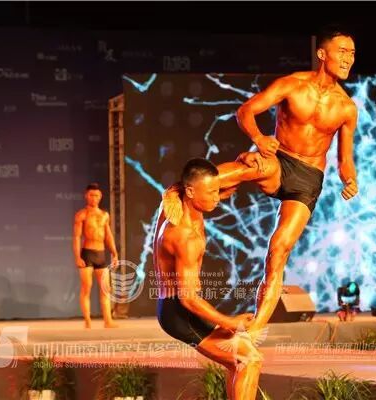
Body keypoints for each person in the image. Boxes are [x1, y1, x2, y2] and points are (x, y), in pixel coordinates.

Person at [164, 24, 359, 335]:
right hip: (278, 160)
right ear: (322, 54)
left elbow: (344, 159)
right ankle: (179, 196)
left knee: (278, 249)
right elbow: (246, 111)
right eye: (343, 51)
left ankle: (254, 330)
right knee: (242, 168)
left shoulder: (347, 108)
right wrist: (258, 138)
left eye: (352, 52)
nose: (349, 58)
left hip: (309, 179)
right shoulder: (292, 85)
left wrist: (350, 180)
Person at [154, 158, 262, 400]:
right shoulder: (184, 237)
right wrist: (229, 322)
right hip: (180, 312)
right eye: (212, 192)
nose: (217, 197)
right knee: (248, 359)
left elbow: (226, 182)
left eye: (217, 190)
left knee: (239, 361)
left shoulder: (180, 202)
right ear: (191, 191)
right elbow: (188, 299)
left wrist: (246, 160)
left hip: (181, 307)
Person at [73, 183, 118, 329]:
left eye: (97, 195)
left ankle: (108, 321)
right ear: (86, 196)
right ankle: (87, 320)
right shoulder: (82, 214)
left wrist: (114, 253)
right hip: (87, 253)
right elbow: (76, 237)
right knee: (86, 288)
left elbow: (108, 235)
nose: (94, 198)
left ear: (100, 196)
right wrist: (77, 257)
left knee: (106, 288)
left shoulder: (105, 215)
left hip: (101, 254)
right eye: (91, 195)